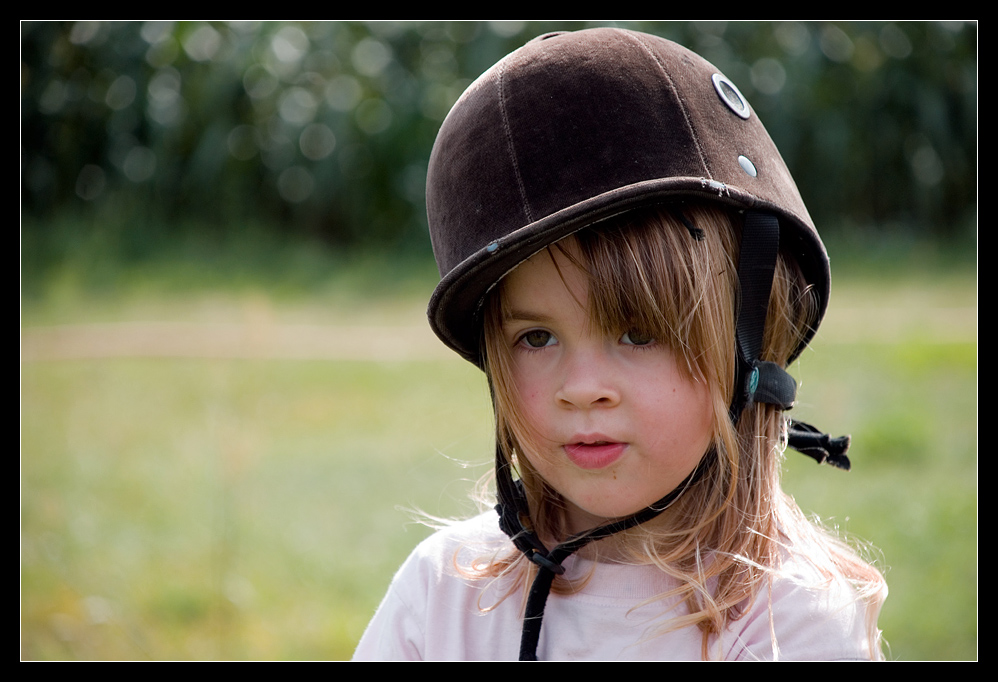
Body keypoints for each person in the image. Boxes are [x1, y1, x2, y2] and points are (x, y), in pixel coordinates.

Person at [353, 27, 887, 661]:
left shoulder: (787, 618)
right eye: (537, 336)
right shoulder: (444, 593)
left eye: (638, 332)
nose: (582, 389)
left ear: (750, 350)